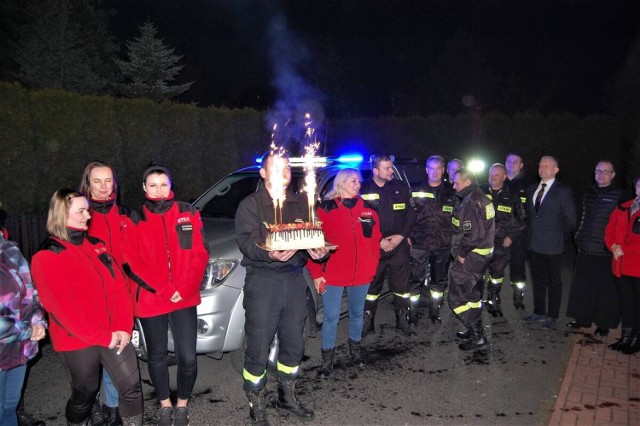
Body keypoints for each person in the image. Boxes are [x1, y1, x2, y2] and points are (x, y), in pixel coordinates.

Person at [31, 189, 143, 426]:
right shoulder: (47, 255)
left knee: (131, 386)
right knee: (85, 394)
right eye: (81, 211)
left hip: (114, 331)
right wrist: (104, 336)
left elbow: (121, 288)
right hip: (77, 339)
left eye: (88, 210)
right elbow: (62, 310)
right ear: (62, 215)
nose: (88, 216)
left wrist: (124, 326)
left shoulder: (97, 245)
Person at [235, 151, 328, 425]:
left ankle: (287, 395)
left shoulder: (300, 203)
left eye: (287, 166)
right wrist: (269, 254)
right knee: (258, 345)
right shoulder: (250, 205)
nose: (284, 171)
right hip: (264, 281)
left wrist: (319, 250)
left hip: (294, 280)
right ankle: (256, 402)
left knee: (294, 343)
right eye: (276, 167)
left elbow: (313, 235)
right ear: (263, 173)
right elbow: (246, 243)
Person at [121, 164, 209, 426]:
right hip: (151, 298)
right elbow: (132, 261)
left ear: (171, 186)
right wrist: (166, 289)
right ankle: (165, 405)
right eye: (153, 185)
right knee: (157, 355)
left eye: (164, 184)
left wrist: (184, 289)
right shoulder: (134, 218)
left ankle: (182, 404)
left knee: (188, 356)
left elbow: (200, 253)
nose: (159, 190)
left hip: (185, 296)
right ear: (144, 188)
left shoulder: (188, 212)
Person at [307, 168, 382, 379]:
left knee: (357, 314)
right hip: (333, 273)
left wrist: (372, 265)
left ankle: (355, 353)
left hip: (362, 273)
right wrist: (316, 274)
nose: (358, 184)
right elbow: (313, 244)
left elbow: (375, 239)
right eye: (353, 181)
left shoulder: (369, 208)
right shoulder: (325, 208)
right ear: (341, 183)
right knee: (331, 317)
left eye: (359, 181)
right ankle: (327, 361)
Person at [80, 161, 132, 425]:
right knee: (89, 364)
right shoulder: (79, 214)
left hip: (118, 297)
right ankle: (88, 407)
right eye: (96, 181)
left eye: (108, 180)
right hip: (90, 300)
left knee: (115, 353)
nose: (103, 187)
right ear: (87, 184)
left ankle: (112, 408)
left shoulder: (122, 213)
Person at [360, 155, 417, 336]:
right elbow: (360, 219)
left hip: (398, 246)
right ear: (375, 171)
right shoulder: (362, 188)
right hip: (374, 247)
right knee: (372, 288)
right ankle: (368, 323)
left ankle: (402, 321)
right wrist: (379, 241)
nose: (391, 171)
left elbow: (410, 214)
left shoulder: (400, 187)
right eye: (387, 168)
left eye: (391, 167)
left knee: (402, 287)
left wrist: (401, 236)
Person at [566, 161, 625, 335]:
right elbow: (579, 217)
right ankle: (581, 318)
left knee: (605, 291)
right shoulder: (587, 193)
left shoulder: (619, 196)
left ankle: (603, 323)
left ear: (613, 175)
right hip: (585, 248)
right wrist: (577, 237)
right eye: (598, 171)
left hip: (605, 250)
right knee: (583, 287)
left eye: (606, 172)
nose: (601, 174)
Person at [0, 225, 47, 426]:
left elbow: (31, 291)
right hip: (17, 339)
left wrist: (38, 321)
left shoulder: (9, 250)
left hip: (17, 351)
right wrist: (29, 330)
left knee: (9, 409)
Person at [522, 156, 576, 329]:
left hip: (553, 245)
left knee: (554, 282)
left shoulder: (563, 191)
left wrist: (559, 236)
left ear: (556, 170)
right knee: (537, 279)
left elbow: (571, 220)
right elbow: (531, 217)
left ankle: (552, 314)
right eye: (540, 165)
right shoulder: (531, 190)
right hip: (534, 244)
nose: (542, 168)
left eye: (546, 166)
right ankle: (538, 311)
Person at [449, 169, 495, 351]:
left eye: (456, 183)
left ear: (467, 182)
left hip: (471, 257)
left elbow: (473, 234)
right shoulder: (482, 197)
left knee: (455, 297)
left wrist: (461, 254)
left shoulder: (471, 202)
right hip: (482, 256)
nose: (454, 186)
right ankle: (472, 329)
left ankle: (477, 336)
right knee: (473, 295)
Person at [409, 155, 456, 325]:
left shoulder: (452, 191)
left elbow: (458, 217)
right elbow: (407, 215)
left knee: (439, 280)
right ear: (426, 170)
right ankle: (412, 313)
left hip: (443, 243)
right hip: (419, 242)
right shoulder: (415, 188)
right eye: (431, 168)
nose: (435, 172)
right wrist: (407, 235)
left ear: (443, 170)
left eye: (438, 168)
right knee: (415, 279)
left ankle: (435, 312)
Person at [479, 163, 526, 317]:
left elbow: (521, 219)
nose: (493, 177)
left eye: (497, 174)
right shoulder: (479, 191)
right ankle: (475, 303)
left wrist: (511, 236)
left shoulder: (512, 196)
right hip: (480, 242)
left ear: (504, 177)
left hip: (501, 243)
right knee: (477, 274)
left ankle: (493, 300)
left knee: (496, 275)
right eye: (491, 174)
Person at [604, 176, 640, 354]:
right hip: (621, 264)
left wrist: (623, 248)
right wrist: (612, 246)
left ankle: (636, 338)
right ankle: (626, 336)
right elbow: (609, 230)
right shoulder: (623, 207)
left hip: (637, 265)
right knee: (627, 303)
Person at [505, 153, 533, 309]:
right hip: (500, 232)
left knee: (518, 265)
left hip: (520, 233)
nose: (512, 164)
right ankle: (492, 294)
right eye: (509, 161)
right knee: (496, 264)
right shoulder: (499, 181)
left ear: (521, 165)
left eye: (515, 162)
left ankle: (518, 295)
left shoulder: (528, 186)